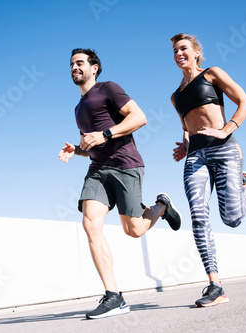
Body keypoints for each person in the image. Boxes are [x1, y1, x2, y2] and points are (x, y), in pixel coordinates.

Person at [59, 48, 182, 319]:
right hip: (97, 169)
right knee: (90, 223)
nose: (74, 68)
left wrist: (104, 134)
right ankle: (113, 296)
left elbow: (139, 117)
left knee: (134, 230)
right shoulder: (78, 108)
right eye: (71, 64)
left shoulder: (109, 88)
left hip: (126, 165)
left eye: (79, 63)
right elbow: (92, 144)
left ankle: (162, 206)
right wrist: (77, 150)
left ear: (95, 67)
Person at [169, 33, 246, 307]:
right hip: (196, 156)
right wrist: (185, 146)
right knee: (198, 215)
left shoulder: (212, 74)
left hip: (224, 150)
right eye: (175, 50)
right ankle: (215, 285)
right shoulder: (175, 96)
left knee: (232, 219)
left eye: (184, 48)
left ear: (196, 52)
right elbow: (187, 127)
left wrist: (226, 130)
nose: (179, 54)